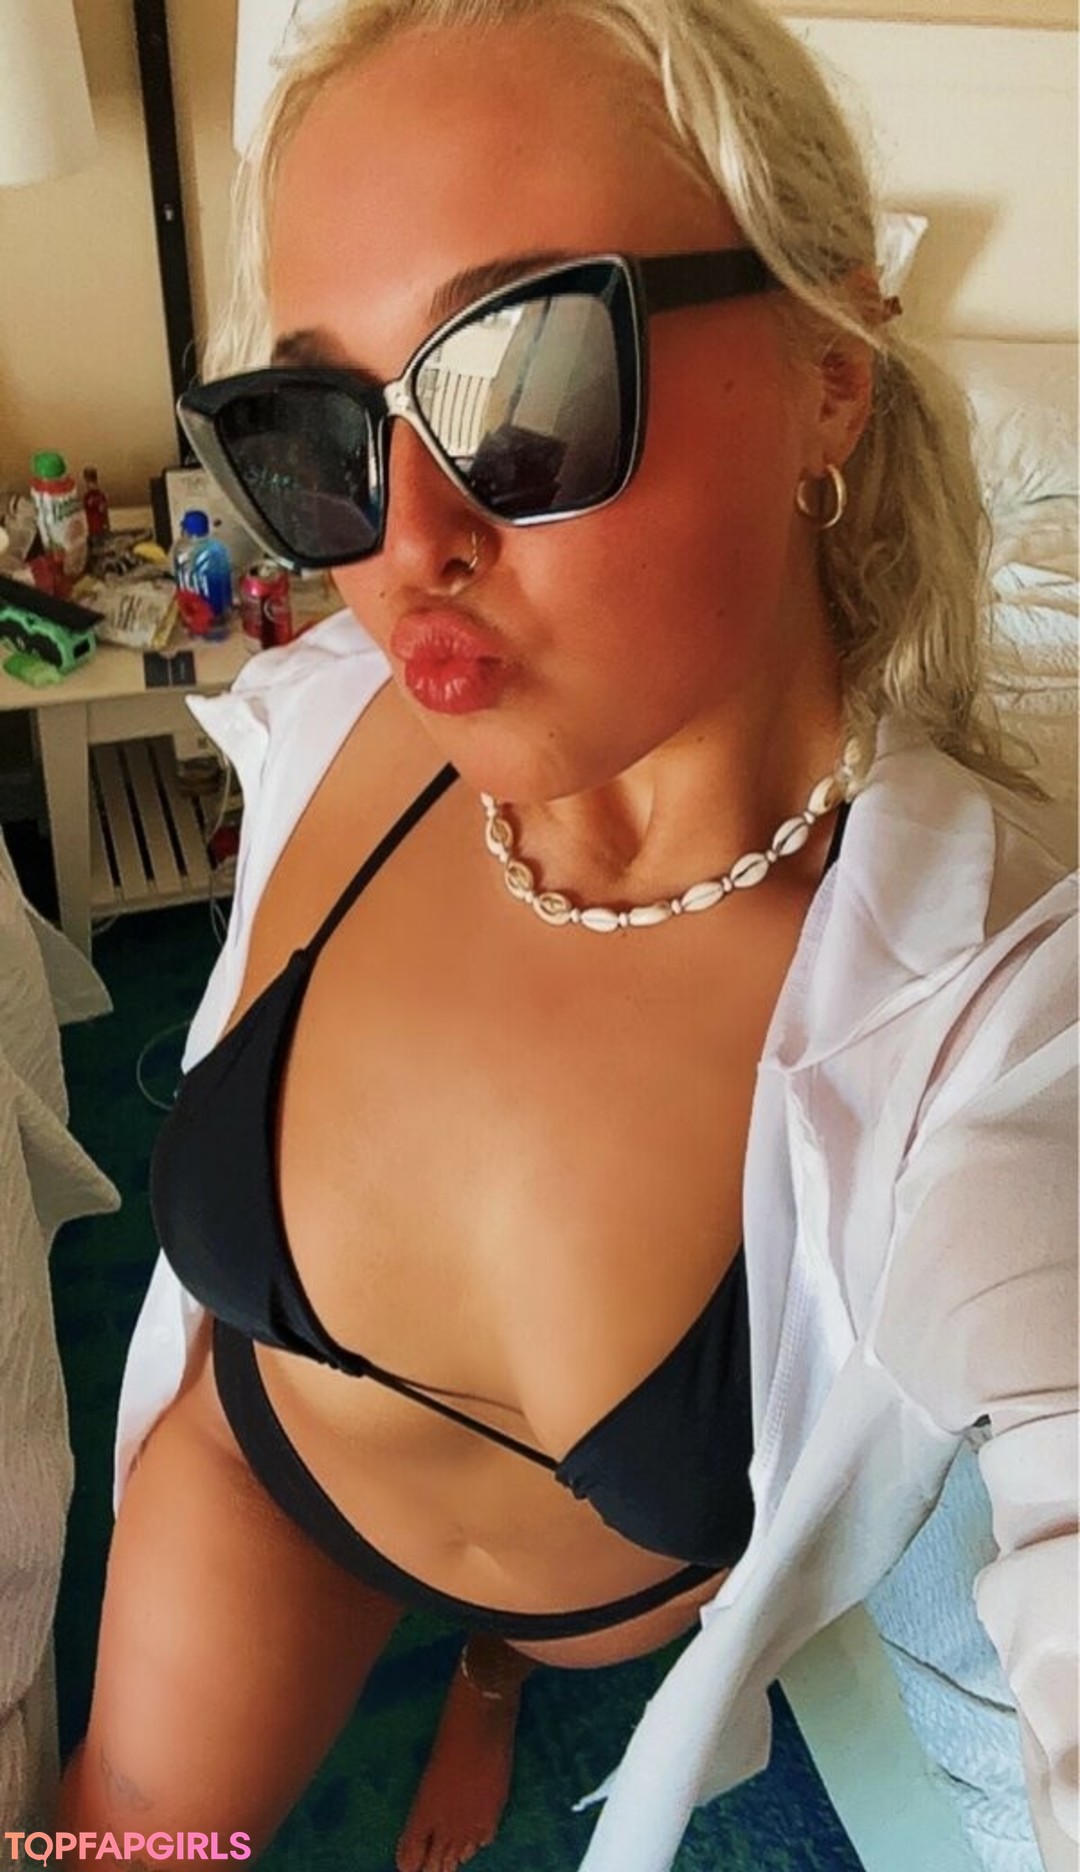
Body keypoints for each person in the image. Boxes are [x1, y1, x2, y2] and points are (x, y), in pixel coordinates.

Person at [60, 2, 1076, 1869]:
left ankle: (491, 1675)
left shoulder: (995, 1016)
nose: (405, 544)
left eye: (523, 382)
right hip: (257, 1470)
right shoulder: (330, 723)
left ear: (831, 370)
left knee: (518, 1642)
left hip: (581, 1603)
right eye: (319, 432)